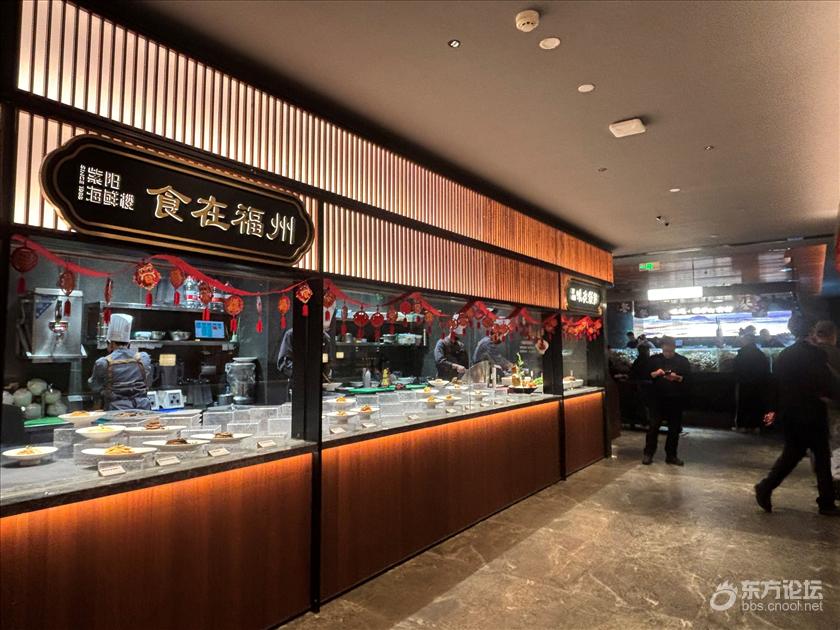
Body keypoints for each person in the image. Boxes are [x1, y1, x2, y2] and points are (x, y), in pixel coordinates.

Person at [754, 315, 839, 516]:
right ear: (811, 331)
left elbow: (775, 385)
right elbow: (825, 382)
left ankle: (824, 500)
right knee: (817, 455)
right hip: (812, 412)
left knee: (796, 454)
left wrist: (772, 413)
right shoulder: (815, 355)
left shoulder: (785, 354)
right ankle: (824, 502)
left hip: (790, 413)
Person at [643, 336, 690, 465]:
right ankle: (648, 454)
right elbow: (645, 375)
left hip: (675, 399)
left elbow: (689, 379)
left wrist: (677, 378)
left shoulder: (682, 361)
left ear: (674, 347)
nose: (668, 353)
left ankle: (671, 456)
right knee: (653, 427)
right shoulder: (654, 360)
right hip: (656, 399)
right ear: (662, 348)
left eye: (670, 351)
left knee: (674, 429)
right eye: (665, 351)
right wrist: (655, 374)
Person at [88, 313, 152, 410]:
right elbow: (147, 382)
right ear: (129, 344)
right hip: (143, 408)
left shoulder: (103, 363)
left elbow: (95, 386)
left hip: (117, 410)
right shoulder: (143, 358)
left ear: (110, 344)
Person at [813, 320, 840, 496]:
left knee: (818, 444)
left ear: (816, 335)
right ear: (834, 336)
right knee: (837, 442)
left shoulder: (812, 355)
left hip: (816, 406)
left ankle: (822, 479)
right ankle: (836, 480)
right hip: (835, 405)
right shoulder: (837, 354)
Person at [733, 331, 770, 432]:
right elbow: (766, 368)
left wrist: (738, 378)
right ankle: (757, 426)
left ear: (746, 341)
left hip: (744, 383)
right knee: (757, 404)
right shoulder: (760, 354)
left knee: (743, 404)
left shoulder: (741, 354)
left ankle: (742, 426)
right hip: (758, 383)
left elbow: (736, 368)